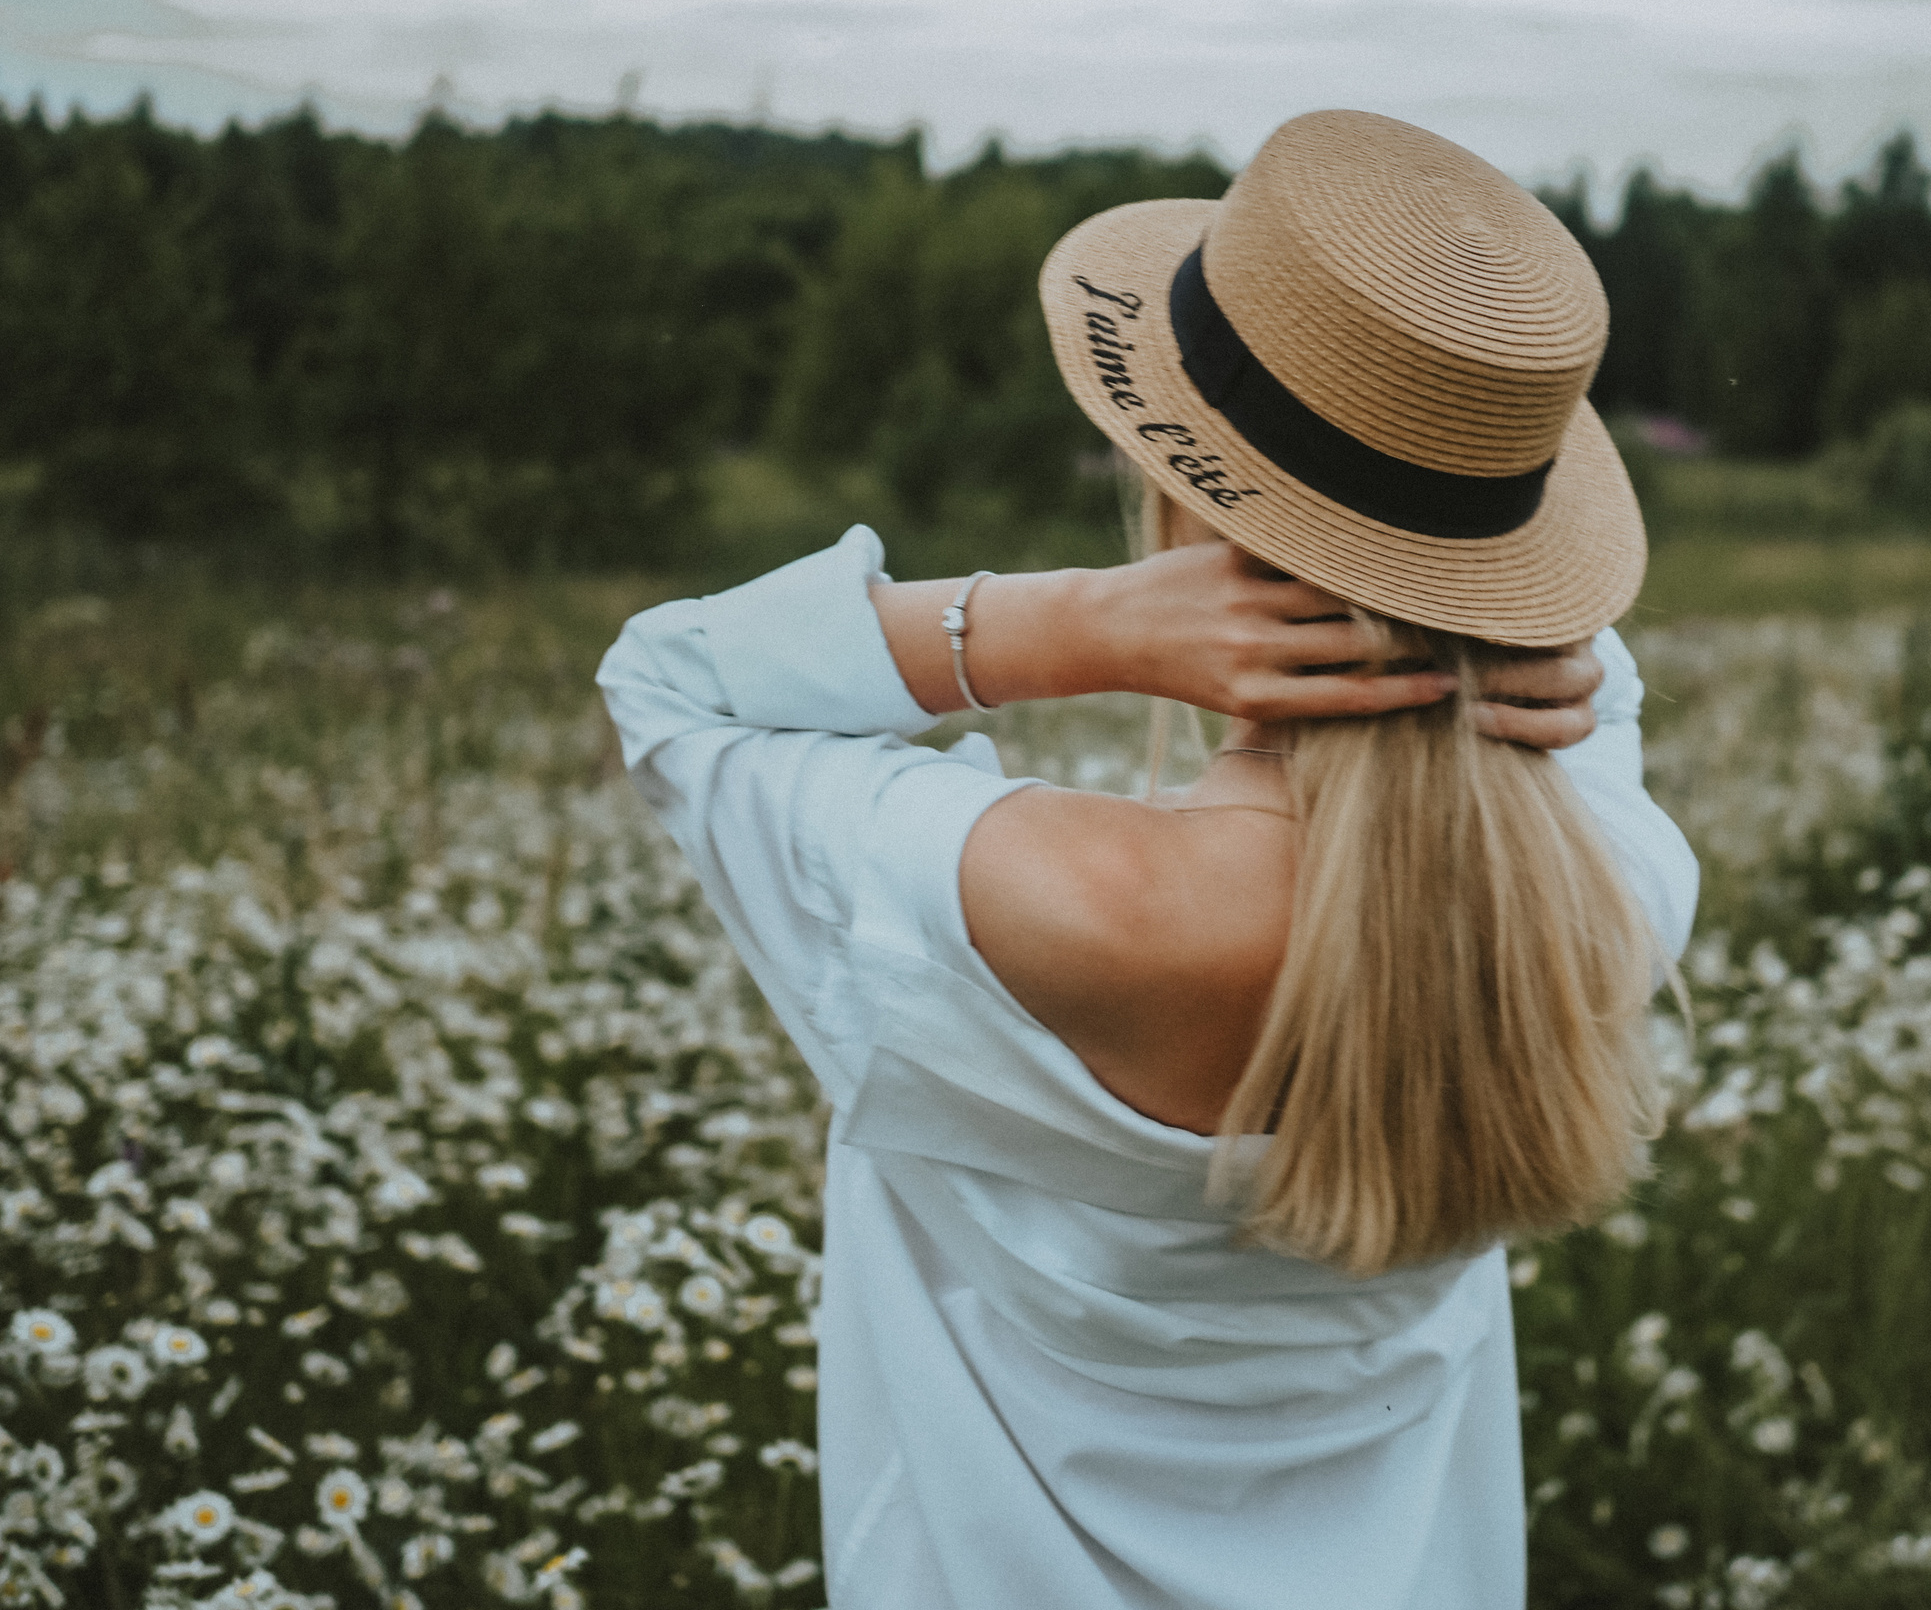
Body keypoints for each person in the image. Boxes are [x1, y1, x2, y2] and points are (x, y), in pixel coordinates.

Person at [598, 109, 1699, 1609]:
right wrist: (1471, 646)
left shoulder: (1028, 903)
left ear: (1183, 495)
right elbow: (1599, 678)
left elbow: (666, 679)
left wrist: (1068, 624)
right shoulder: (1605, 897)